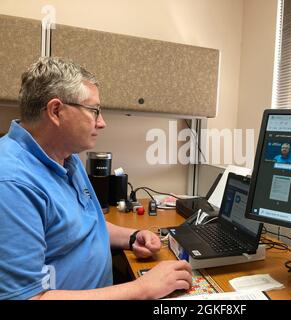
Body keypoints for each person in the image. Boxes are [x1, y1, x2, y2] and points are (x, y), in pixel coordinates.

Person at [0, 57, 192, 300]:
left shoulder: (66, 156)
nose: (102, 123)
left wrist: (131, 237)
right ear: (56, 111)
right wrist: (142, 288)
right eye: (94, 111)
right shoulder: (12, 184)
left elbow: (85, 226)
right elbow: (27, 298)